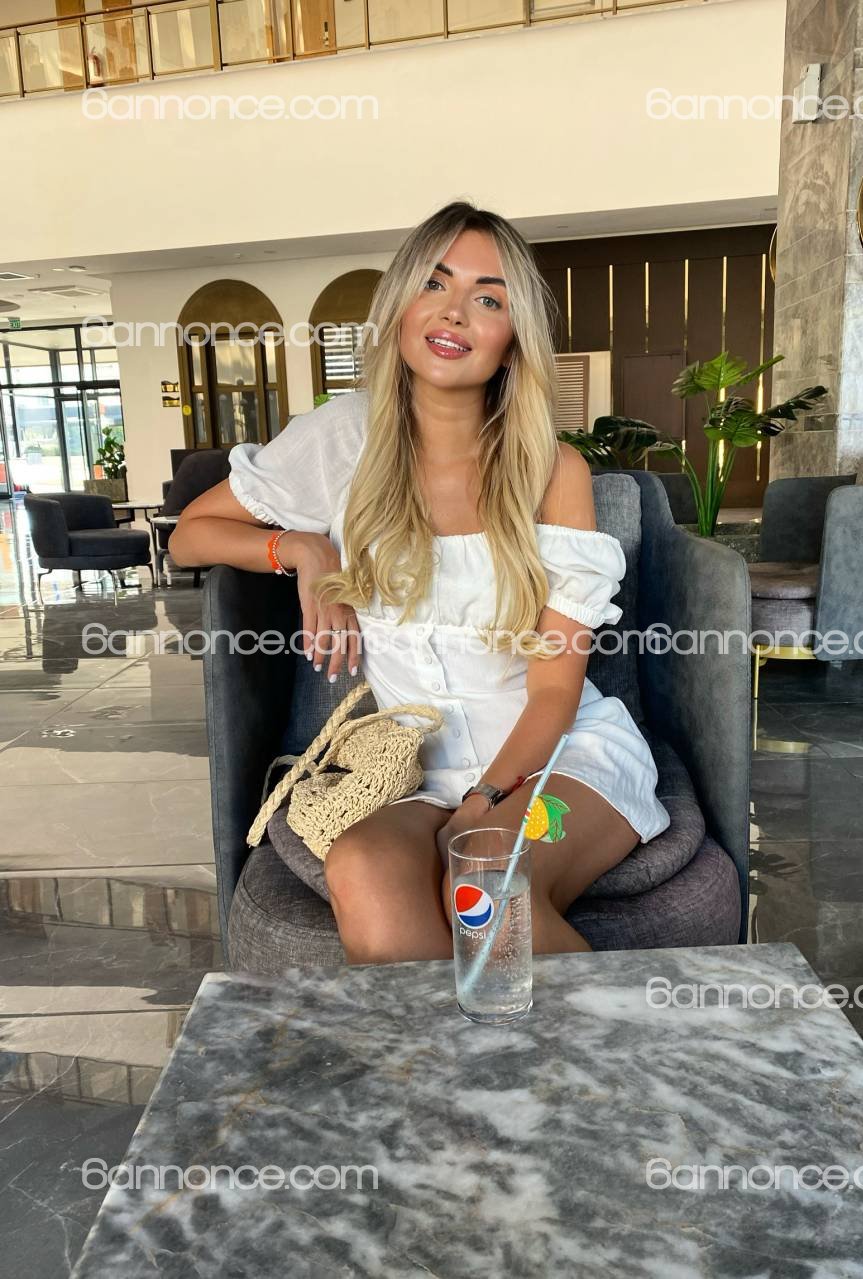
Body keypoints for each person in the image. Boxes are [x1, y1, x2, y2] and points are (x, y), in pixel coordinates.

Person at [170, 199, 670, 966]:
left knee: (486, 871)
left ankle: (629, 1048)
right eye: (435, 283)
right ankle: (442, 1050)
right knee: (362, 866)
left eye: (489, 299)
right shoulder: (342, 439)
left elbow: (553, 692)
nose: (454, 312)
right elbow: (191, 532)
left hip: (559, 759)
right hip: (418, 768)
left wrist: (484, 804)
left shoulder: (552, 470)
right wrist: (300, 547)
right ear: (401, 303)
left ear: (512, 340)